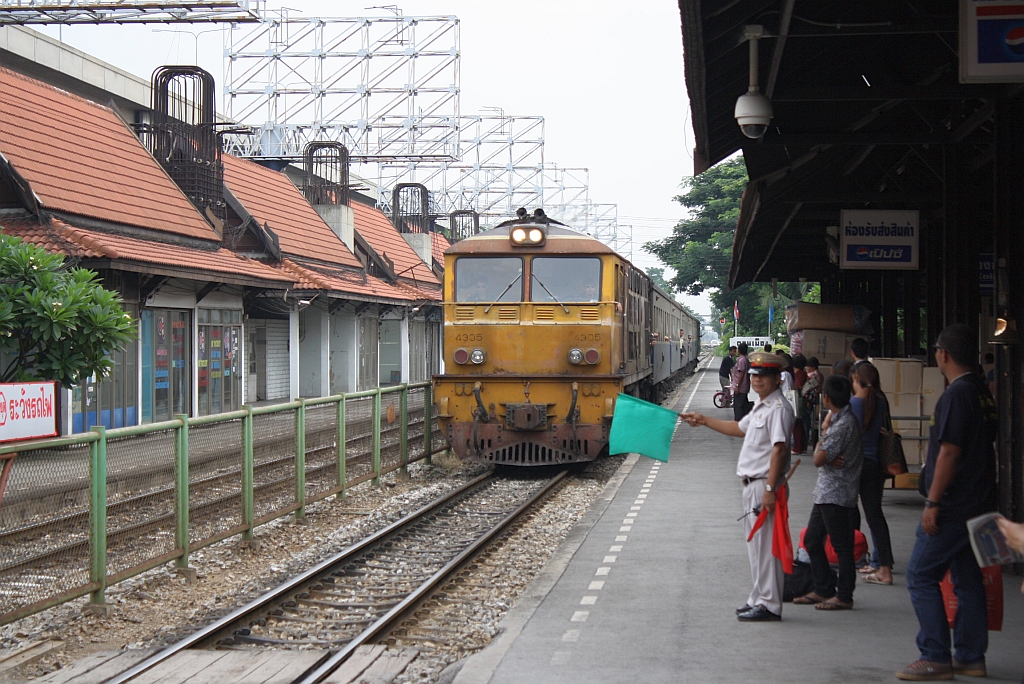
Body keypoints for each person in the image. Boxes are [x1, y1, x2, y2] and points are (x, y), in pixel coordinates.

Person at [896, 323, 998, 682]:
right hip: (980, 502)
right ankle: (971, 657)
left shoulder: (956, 395)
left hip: (954, 505)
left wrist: (933, 502)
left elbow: (950, 452)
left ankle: (935, 655)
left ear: (943, 354)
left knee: (920, 575)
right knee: (967, 578)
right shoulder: (982, 393)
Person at [682, 351, 795, 622]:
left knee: (766, 549)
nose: (757, 380)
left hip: (764, 485)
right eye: (754, 375)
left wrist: (770, 490)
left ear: (778, 379)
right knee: (756, 547)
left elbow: (779, 450)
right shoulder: (762, 406)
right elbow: (739, 429)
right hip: (754, 486)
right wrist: (704, 420)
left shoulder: (778, 409)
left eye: (764, 376)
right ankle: (758, 598)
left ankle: (770, 605)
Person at [794, 374, 863, 611]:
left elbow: (818, 459)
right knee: (813, 540)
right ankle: (823, 588)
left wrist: (820, 447)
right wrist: (823, 444)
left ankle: (844, 595)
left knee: (842, 546)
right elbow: (823, 456)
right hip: (827, 493)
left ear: (826, 398)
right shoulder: (840, 419)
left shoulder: (842, 425)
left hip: (837, 493)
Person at [850, 362, 894, 585]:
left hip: (855, 464)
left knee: (848, 512)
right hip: (875, 465)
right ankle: (883, 566)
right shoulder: (880, 400)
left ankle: (854, 557)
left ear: (857, 379)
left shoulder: (854, 404)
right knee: (875, 517)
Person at [730, 343, 752, 421]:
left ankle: (738, 423)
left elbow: (741, 373)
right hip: (743, 387)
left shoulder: (742, 360)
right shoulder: (744, 359)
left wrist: (737, 385)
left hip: (741, 388)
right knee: (743, 406)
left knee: (738, 407)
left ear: (739, 350)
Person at [792, 355, 808, 454]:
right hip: (799, 400)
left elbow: (798, 386)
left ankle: (797, 448)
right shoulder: (802, 373)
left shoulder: (800, 374)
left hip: (797, 400)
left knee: (797, 424)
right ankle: (802, 447)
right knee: (799, 424)